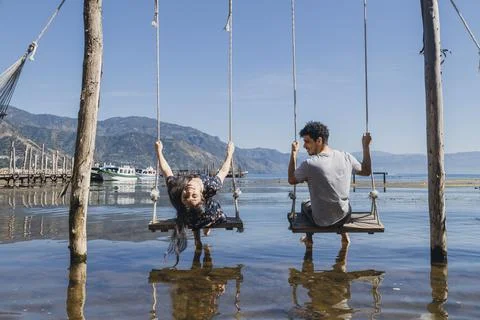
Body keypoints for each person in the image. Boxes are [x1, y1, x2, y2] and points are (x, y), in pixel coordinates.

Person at [288, 121, 372, 245]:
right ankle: (344, 236)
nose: (305, 146)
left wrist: (294, 154)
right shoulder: (346, 156)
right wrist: (366, 146)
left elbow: (291, 179)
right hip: (344, 217)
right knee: (341, 202)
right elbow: (366, 171)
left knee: (305, 204)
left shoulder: (310, 164)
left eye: (307, 141)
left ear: (319, 140)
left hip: (321, 221)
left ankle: (309, 240)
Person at [155, 140, 235, 261]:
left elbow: (166, 170)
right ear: (202, 197)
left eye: (186, 196)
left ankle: (203, 230)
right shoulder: (211, 186)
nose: (189, 192)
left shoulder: (177, 187)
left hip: (202, 212)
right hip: (211, 212)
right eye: (194, 196)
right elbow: (223, 171)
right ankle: (205, 227)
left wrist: (159, 151)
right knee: (200, 218)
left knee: (195, 217)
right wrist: (230, 153)